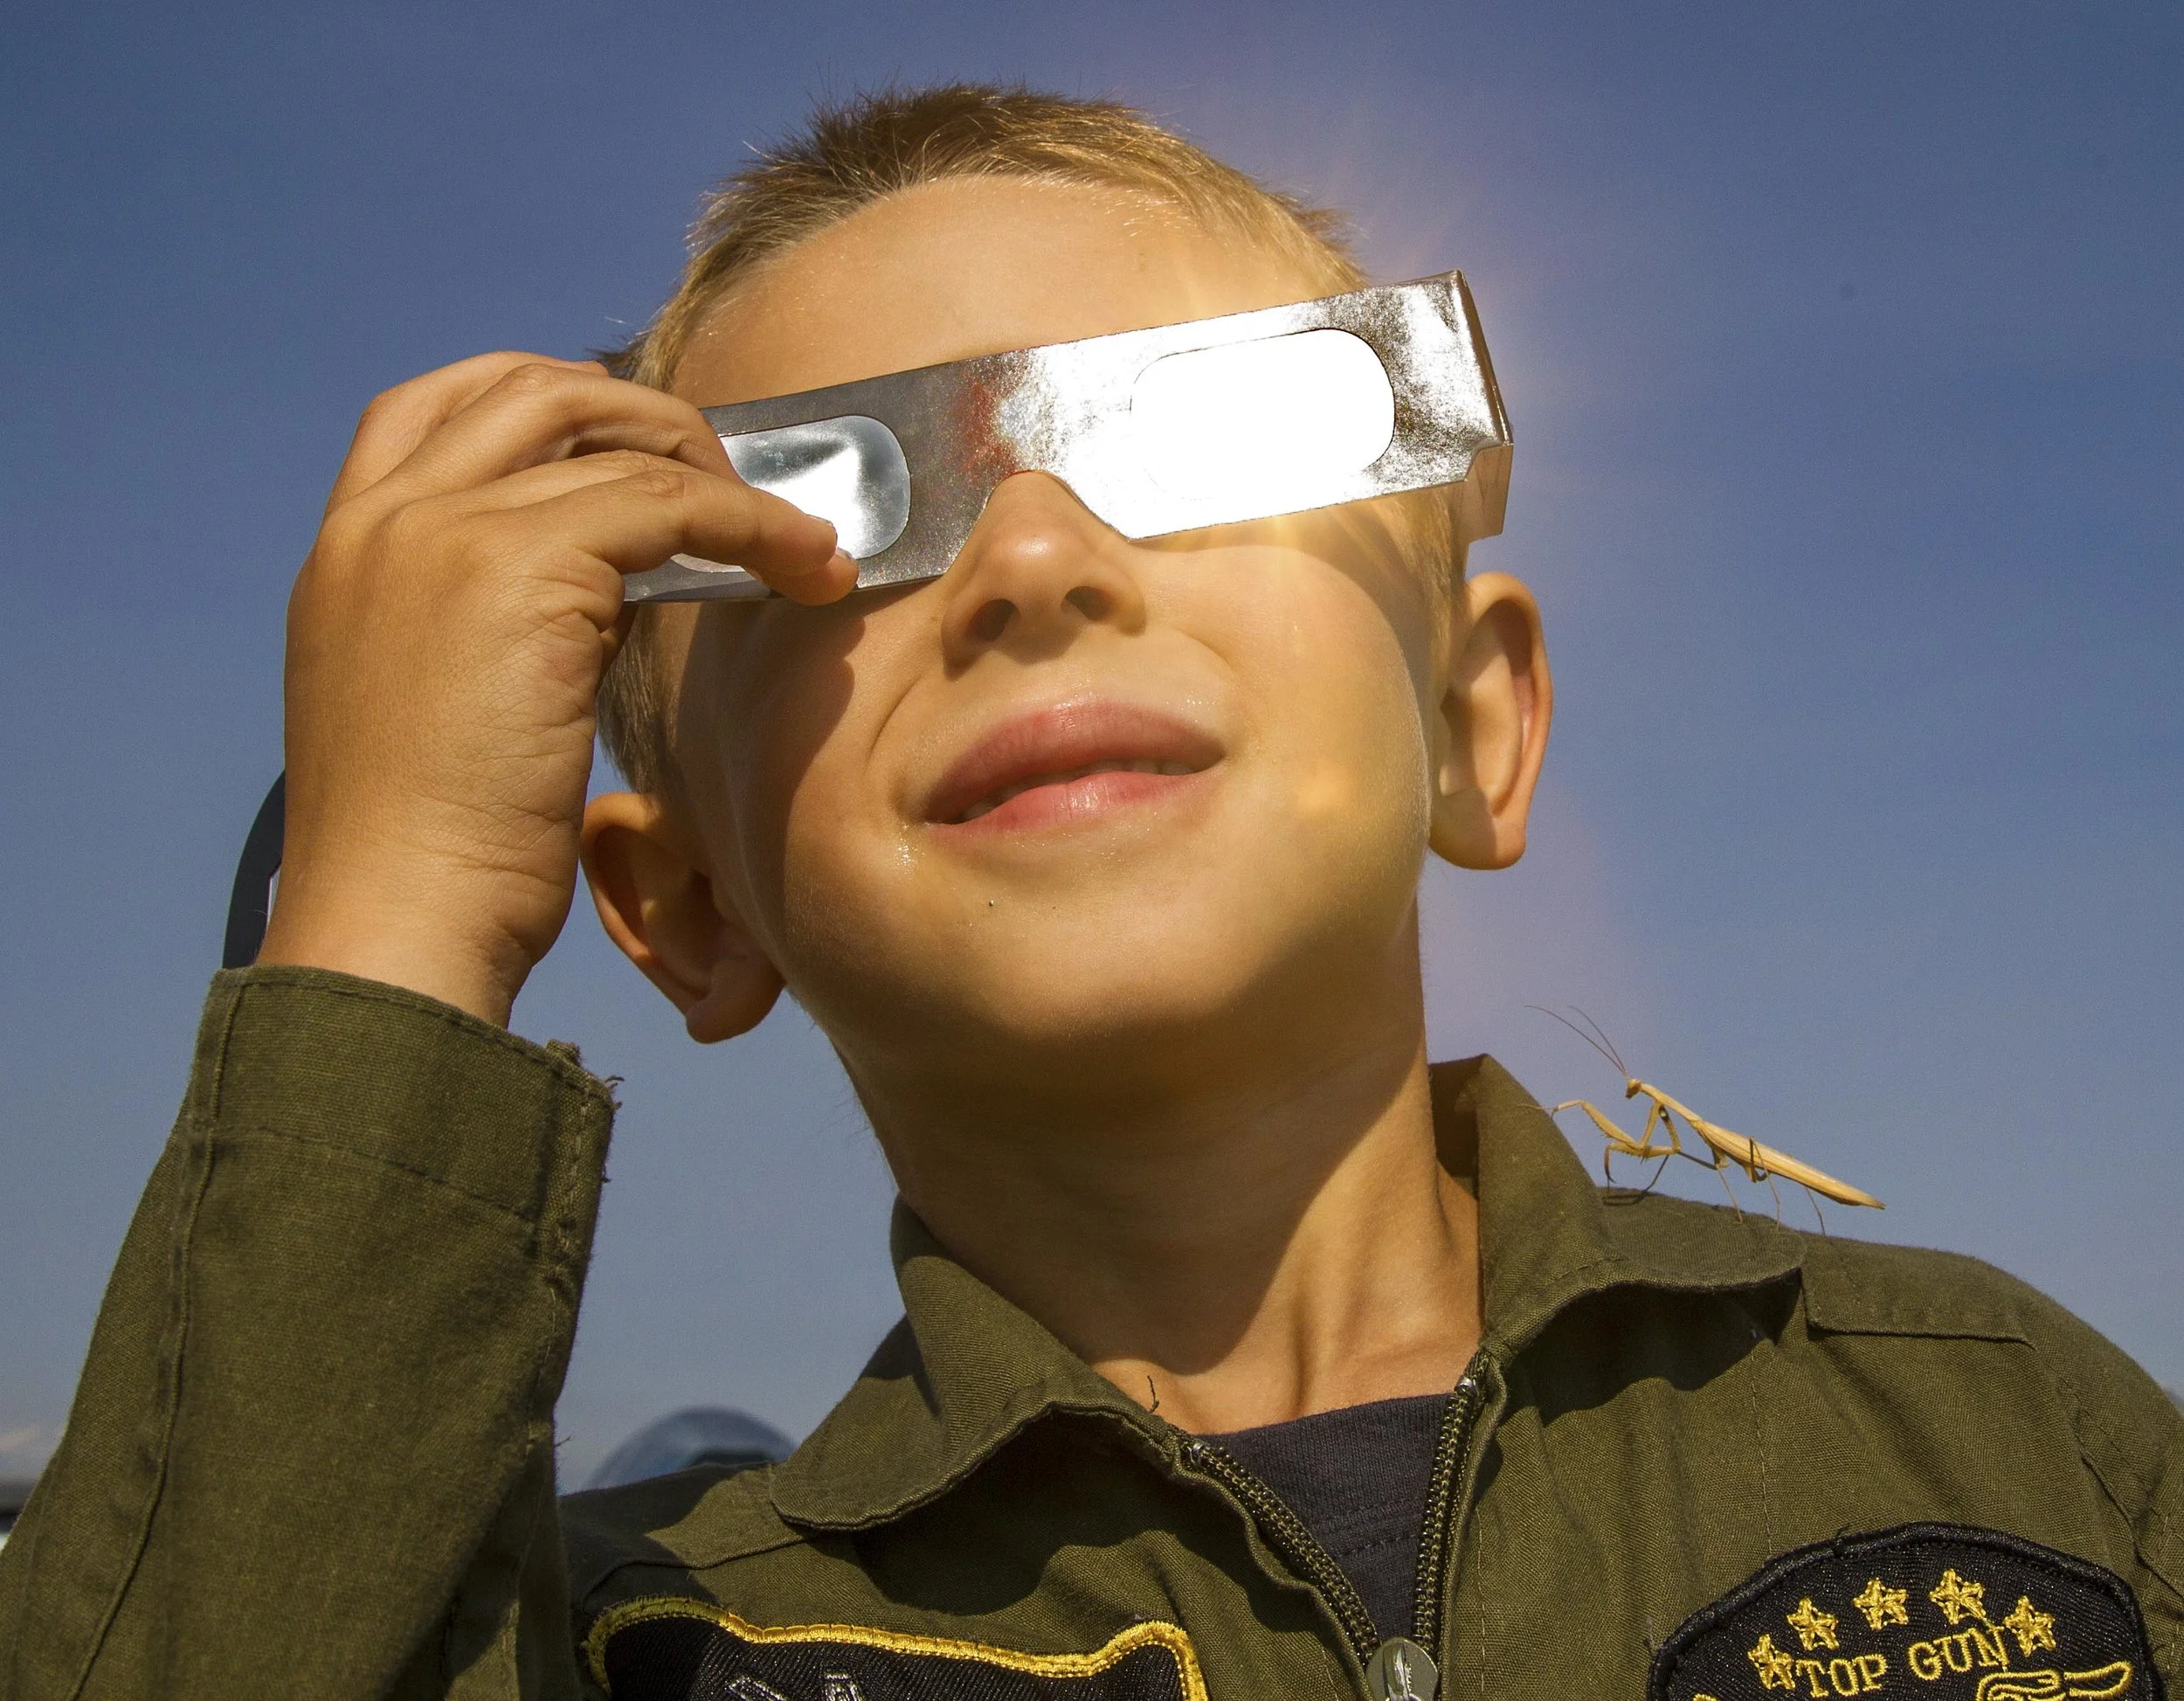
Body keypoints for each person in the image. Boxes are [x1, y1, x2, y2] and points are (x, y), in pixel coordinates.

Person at [2, 84, 2176, 1701]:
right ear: (676, 908)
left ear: (1473, 720)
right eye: (830, 524)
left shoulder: (2012, 1435)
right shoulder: (647, 1640)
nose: (1038, 561)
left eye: (1203, 443)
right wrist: (382, 918)